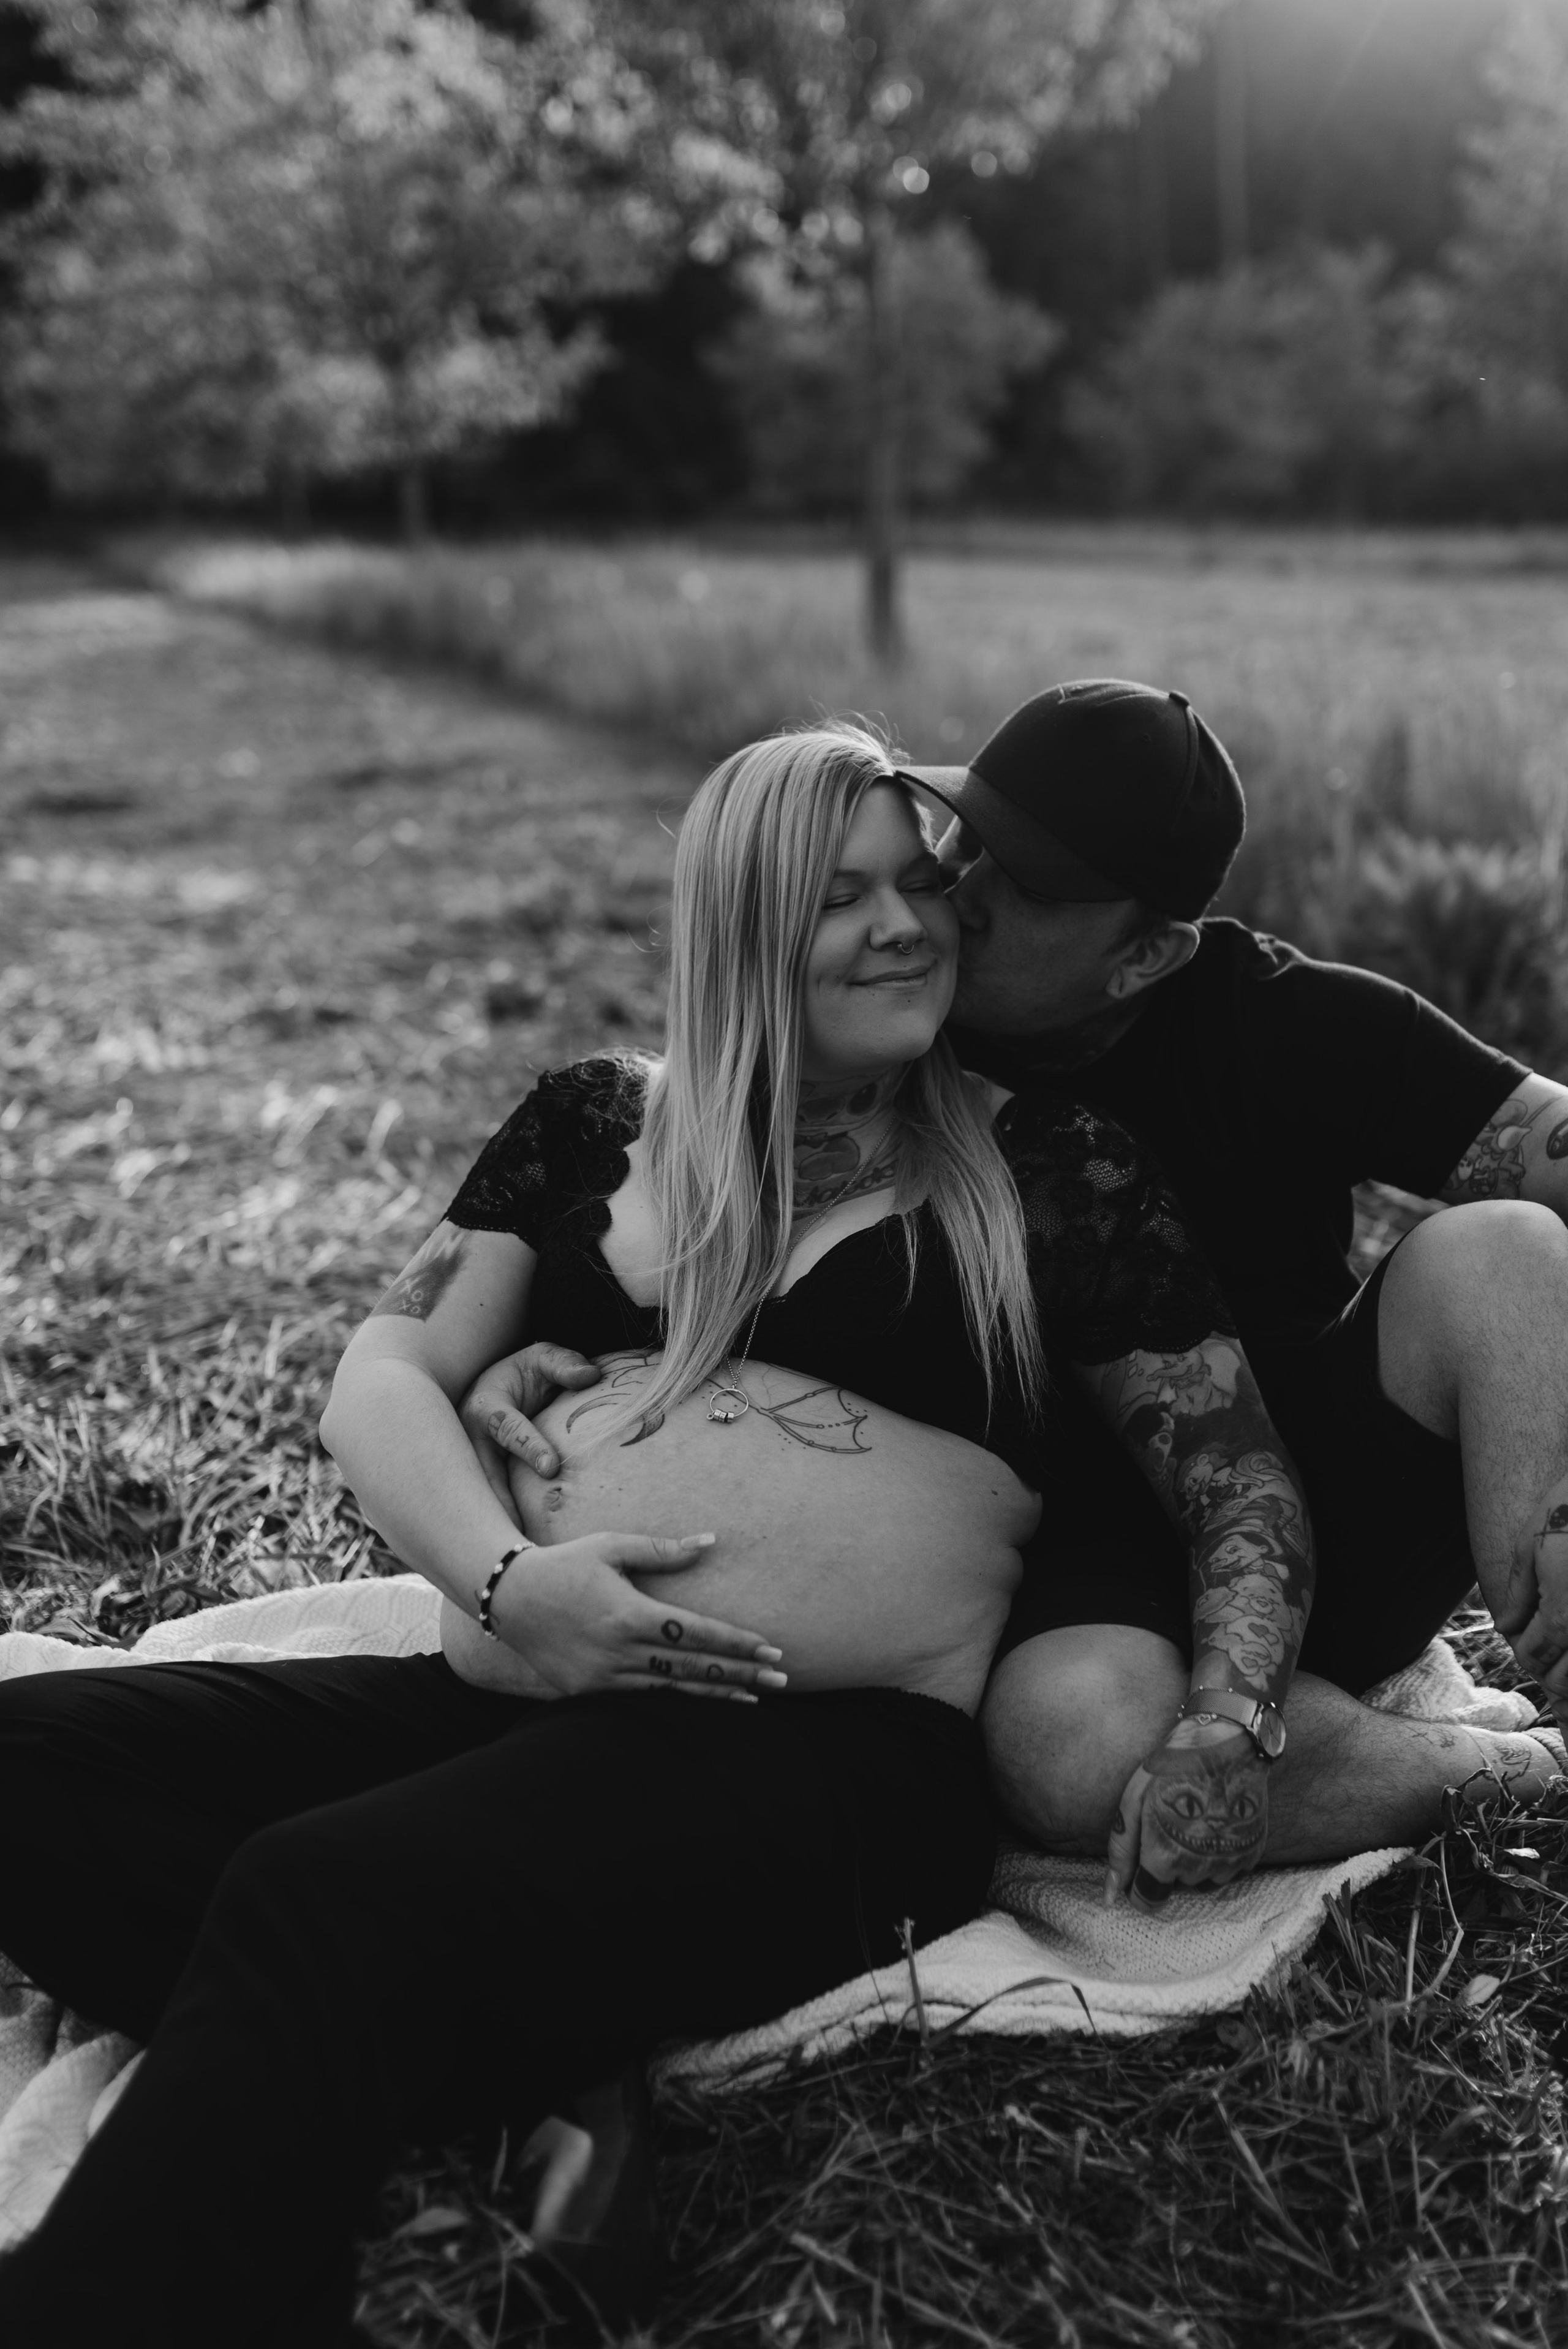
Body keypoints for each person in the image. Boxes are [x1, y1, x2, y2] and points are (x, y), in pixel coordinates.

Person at [0, 724, 1312, 2349]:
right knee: (29, 1765)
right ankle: (533, 2047)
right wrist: (505, 1584)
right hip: (524, 1691)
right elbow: (384, 1374)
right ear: (740, 924)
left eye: (922, 885)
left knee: (321, 1891)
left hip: (826, 1763)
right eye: (840, 897)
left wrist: (1234, 1713)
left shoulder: (1050, 1170)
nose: (906, 925)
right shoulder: (592, 1127)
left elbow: (1237, 1481)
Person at [911, 677, 1568, 1863]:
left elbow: (1545, 1142)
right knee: (1065, 1747)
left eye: (1022, 880)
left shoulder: (1281, 1019)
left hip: (1322, 1502)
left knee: (1510, 1250)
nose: (959, 890)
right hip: (1072, 1561)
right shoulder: (890, 1011)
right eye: (961, 831)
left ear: (1146, 953)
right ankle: (1490, 1770)